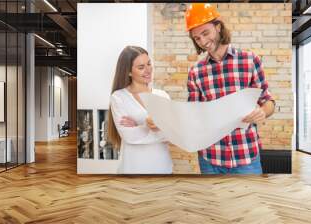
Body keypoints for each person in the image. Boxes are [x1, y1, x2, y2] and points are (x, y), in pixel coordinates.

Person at [184, 3, 276, 174]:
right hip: (210, 158)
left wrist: (262, 112)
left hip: (246, 157)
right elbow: (194, 113)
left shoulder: (249, 60)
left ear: (218, 27)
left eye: (205, 33)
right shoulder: (196, 72)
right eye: (197, 38)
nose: (203, 41)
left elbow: (268, 102)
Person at [107, 46, 173, 174]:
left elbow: (173, 135)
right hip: (133, 167)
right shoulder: (119, 97)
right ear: (129, 72)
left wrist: (139, 126)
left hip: (162, 166)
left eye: (149, 64)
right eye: (141, 67)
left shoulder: (162, 96)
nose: (148, 70)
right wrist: (157, 127)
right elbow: (129, 136)